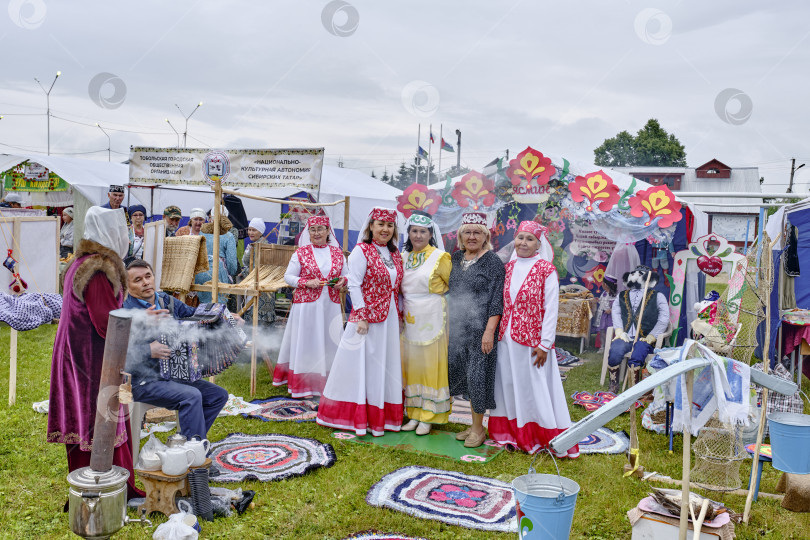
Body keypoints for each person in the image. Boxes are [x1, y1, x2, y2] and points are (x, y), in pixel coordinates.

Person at [47, 206, 143, 501]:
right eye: (121, 229)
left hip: (74, 352)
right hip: (92, 359)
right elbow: (108, 323)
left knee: (85, 418)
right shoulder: (99, 269)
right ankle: (109, 488)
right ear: (110, 232)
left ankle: (87, 487)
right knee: (101, 418)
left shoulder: (80, 262)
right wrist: (143, 335)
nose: (124, 235)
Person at [489, 221, 579, 457]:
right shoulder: (507, 268)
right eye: (520, 238)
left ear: (539, 244)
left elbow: (551, 308)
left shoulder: (545, 270)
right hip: (506, 338)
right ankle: (511, 434)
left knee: (532, 387)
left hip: (532, 341)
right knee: (508, 385)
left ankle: (540, 436)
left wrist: (545, 344)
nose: (523, 243)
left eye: (529, 239)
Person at [316, 207, 404, 436]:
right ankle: (354, 415)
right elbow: (354, 284)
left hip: (390, 317)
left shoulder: (395, 254)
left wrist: (400, 315)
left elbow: (396, 288)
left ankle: (381, 416)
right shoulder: (361, 251)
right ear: (371, 227)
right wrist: (362, 316)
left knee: (383, 365)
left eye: (390, 225)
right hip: (366, 319)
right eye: (381, 225)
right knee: (362, 365)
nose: (385, 229)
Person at [123, 259, 229, 440]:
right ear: (127, 285)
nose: (146, 282)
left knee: (218, 395)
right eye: (138, 280)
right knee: (192, 395)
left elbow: (195, 315)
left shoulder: (166, 300)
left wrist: (225, 316)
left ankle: (185, 443)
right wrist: (148, 349)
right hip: (139, 381)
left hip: (173, 375)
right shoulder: (124, 310)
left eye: (148, 276)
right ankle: (192, 451)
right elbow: (114, 351)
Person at [447, 212, 504, 448]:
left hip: (481, 331)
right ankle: (472, 425)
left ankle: (479, 430)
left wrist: (489, 332)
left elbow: (496, 300)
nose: (472, 236)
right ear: (460, 236)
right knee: (461, 377)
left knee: (477, 378)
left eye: (477, 232)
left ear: (485, 236)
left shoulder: (493, 262)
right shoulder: (455, 258)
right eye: (467, 232)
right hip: (457, 330)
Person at [274, 215, 347, 397]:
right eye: (313, 230)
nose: (316, 233)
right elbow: (288, 277)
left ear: (328, 231)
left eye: (320, 229)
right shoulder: (300, 253)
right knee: (307, 342)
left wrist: (343, 281)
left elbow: (348, 275)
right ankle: (304, 385)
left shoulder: (338, 253)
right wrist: (305, 282)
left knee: (328, 340)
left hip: (330, 305)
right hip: (306, 307)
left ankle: (328, 383)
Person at [400, 212, 451, 436]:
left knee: (431, 365)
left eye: (423, 232)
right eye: (414, 231)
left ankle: (429, 415)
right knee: (412, 366)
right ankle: (413, 412)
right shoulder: (402, 257)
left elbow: (452, 287)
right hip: (410, 316)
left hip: (432, 316)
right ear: (408, 233)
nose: (418, 235)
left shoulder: (441, 257)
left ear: (430, 234)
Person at [606, 265, 669, 392]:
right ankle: (613, 385)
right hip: (625, 336)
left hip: (645, 338)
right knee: (615, 352)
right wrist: (619, 331)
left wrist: (652, 336)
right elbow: (616, 313)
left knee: (637, 356)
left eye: (640, 275)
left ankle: (634, 388)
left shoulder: (658, 296)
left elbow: (664, 319)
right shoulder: (621, 295)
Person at [194, 209, 237, 303]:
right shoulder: (228, 236)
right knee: (217, 308)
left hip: (200, 273)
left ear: (211, 217)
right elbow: (232, 264)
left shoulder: (201, 233)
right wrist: (231, 273)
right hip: (218, 273)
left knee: (203, 307)